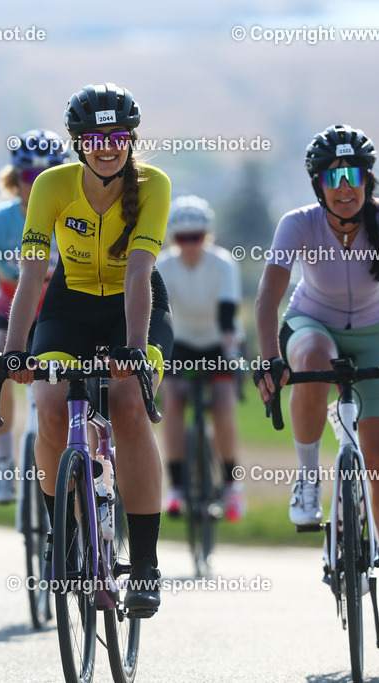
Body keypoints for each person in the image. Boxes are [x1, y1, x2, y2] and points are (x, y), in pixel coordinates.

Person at [3, 83, 172, 616]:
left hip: (137, 307)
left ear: (131, 139)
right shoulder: (52, 186)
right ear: (78, 142)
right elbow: (31, 274)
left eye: (118, 136)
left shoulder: (152, 184)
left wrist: (134, 350)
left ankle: (144, 563)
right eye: (96, 137)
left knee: (125, 405)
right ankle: (61, 536)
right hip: (67, 308)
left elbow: (140, 271)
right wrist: (13, 353)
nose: (108, 145)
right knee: (51, 408)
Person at [253, 124, 379, 638]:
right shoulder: (298, 224)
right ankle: (308, 480)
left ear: (368, 179)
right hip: (314, 322)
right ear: (318, 184)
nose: (345, 187)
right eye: (334, 177)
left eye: (354, 175)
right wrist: (268, 359)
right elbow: (267, 298)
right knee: (310, 355)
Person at [0, 129, 67, 504]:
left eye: (49, 173)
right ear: (15, 179)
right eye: (30, 176)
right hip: (9, 312)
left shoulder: (73, 217)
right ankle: (5, 460)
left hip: (59, 315)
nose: (38, 183)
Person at [157, 195, 245, 521]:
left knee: (222, 405)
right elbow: (158, 315)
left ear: (207, 235)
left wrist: (232, 356)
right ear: (173, 239)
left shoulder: (223, 264)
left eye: (196, 237)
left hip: (219, 342)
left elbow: (227, 316)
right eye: (182, 238)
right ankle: (177, 486)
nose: (190, 244)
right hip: (180, 342)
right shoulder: (163, 265)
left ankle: (232, 485)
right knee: (174, 400)